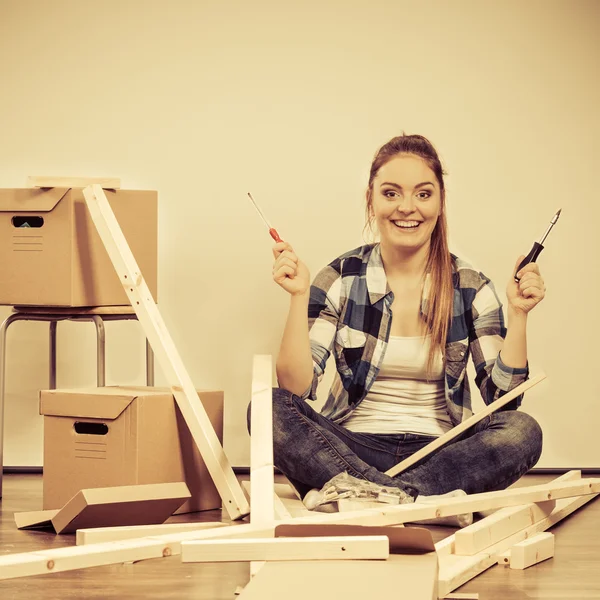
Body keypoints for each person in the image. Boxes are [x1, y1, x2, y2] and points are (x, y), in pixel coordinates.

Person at [251, 134, 544, 512]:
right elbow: (295, 388)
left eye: (423, 194)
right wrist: (298, 297)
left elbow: (503, 401)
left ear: (440, 203)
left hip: (442, 453)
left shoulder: (470, 285)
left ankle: (362, 498)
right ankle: (416, 503)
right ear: (371, 201)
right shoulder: (340, 278)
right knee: (267, 409)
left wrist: (518, 315)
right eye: (391, 193)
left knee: (523, 431)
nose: (407, 208)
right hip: (352, 446)